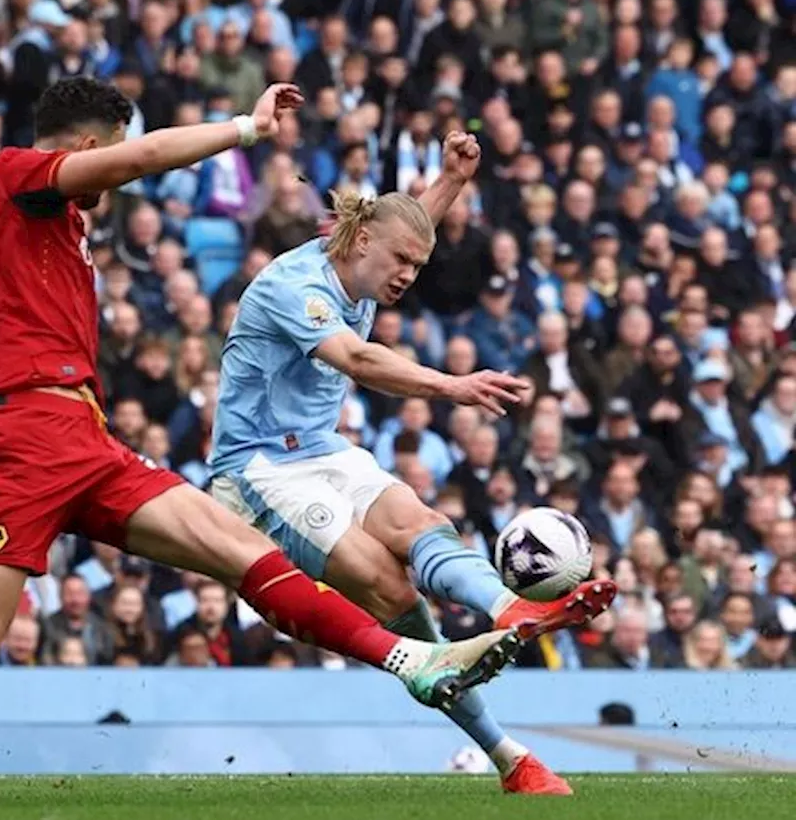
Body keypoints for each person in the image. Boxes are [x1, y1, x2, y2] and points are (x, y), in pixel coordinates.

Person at [0, 78, 521, 804]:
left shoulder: (54, 223)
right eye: (107, 154)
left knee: (237, 547)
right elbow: (138, 159)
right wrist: (245, 130)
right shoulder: (14, 174)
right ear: (86, 144)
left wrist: (444, 187)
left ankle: (410, 658)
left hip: (81, 431)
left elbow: (381, 241)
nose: (113, 179)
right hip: (18, 436)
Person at [206, 131, 617, 794]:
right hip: (256, 472)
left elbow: (407, 226)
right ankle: (505, 750)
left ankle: (509, 612)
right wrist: (452, 385)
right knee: (390, 589)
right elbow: (361, 362)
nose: (407, 277)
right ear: (362, 243)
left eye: (417, 269)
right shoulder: (295, 285)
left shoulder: (368, 259)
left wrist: (452, 180)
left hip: (322, 448)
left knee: (419, 521)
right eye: (402, 262)